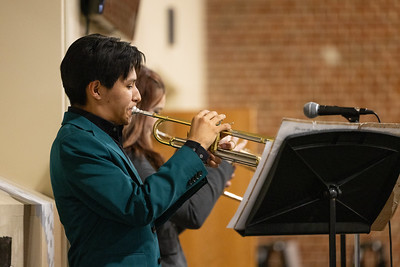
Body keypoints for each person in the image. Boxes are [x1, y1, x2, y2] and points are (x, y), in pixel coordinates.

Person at [49, 34, 231, 267]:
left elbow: (150, 215)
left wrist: (200, 158)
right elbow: (138, 207)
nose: (138, 96)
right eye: (129, 85)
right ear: (96, 90)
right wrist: (193, 150)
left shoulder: (101, 137)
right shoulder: (77, 143)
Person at [123, 66, 241, 267]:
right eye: (156, 111)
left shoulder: (144, 158)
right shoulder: (134, 160)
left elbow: (167, 224)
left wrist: (202, 167)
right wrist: (221, 164)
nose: (158, 119)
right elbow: (193, 214)